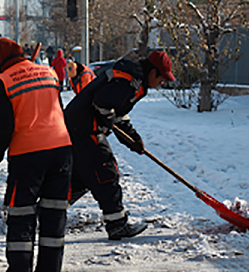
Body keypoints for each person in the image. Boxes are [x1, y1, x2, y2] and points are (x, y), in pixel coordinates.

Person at [0, 38, 73, 272]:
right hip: (62, 150)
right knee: (54, 218)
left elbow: (3, 129)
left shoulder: (3, 81)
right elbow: (58, 112)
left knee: (21, 218)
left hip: (28, 155)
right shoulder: (49, 72)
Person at [64, 50, 176, 240]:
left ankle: (46, 210)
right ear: (152, 72)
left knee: (84, 178)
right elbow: (103, 105)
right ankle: (117, 225)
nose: (162, 82)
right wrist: (108, 121)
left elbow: (118, 112)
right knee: (107, 172)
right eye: (162, 78)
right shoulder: (129, 81)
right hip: (83, 128)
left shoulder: (133, 79)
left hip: (77, 126)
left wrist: (133, 139)